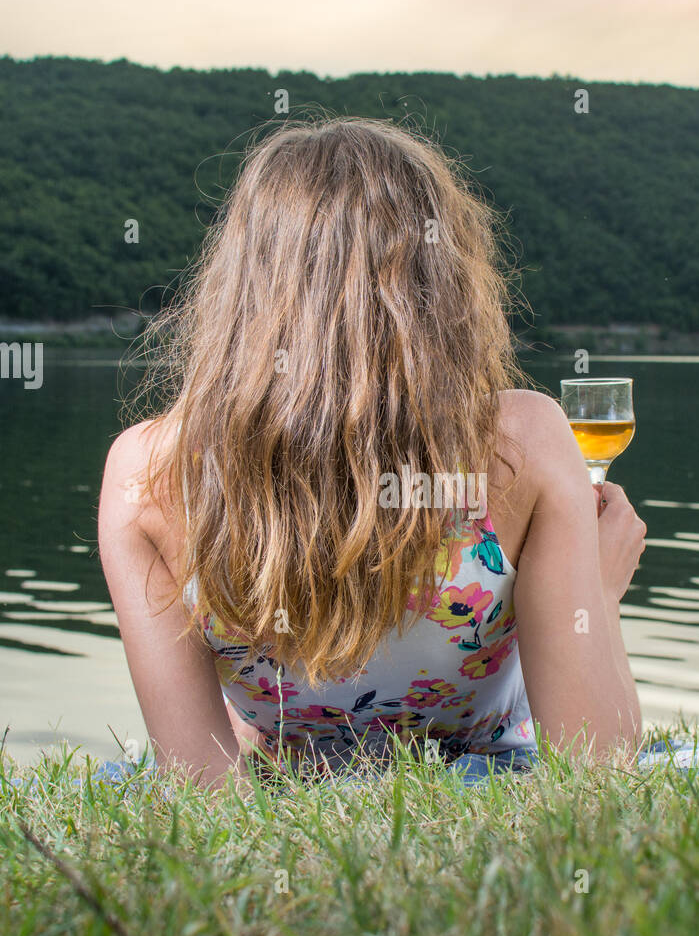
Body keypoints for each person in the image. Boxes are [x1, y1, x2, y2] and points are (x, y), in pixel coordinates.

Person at [98, 116, 646, 790]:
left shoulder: (147, 473)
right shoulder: (522, 442)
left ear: (239, 284)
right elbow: (600, 770)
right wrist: (603, 594)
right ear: (444, 281)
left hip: (288, 783)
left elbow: (203, 789)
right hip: (485, 777)